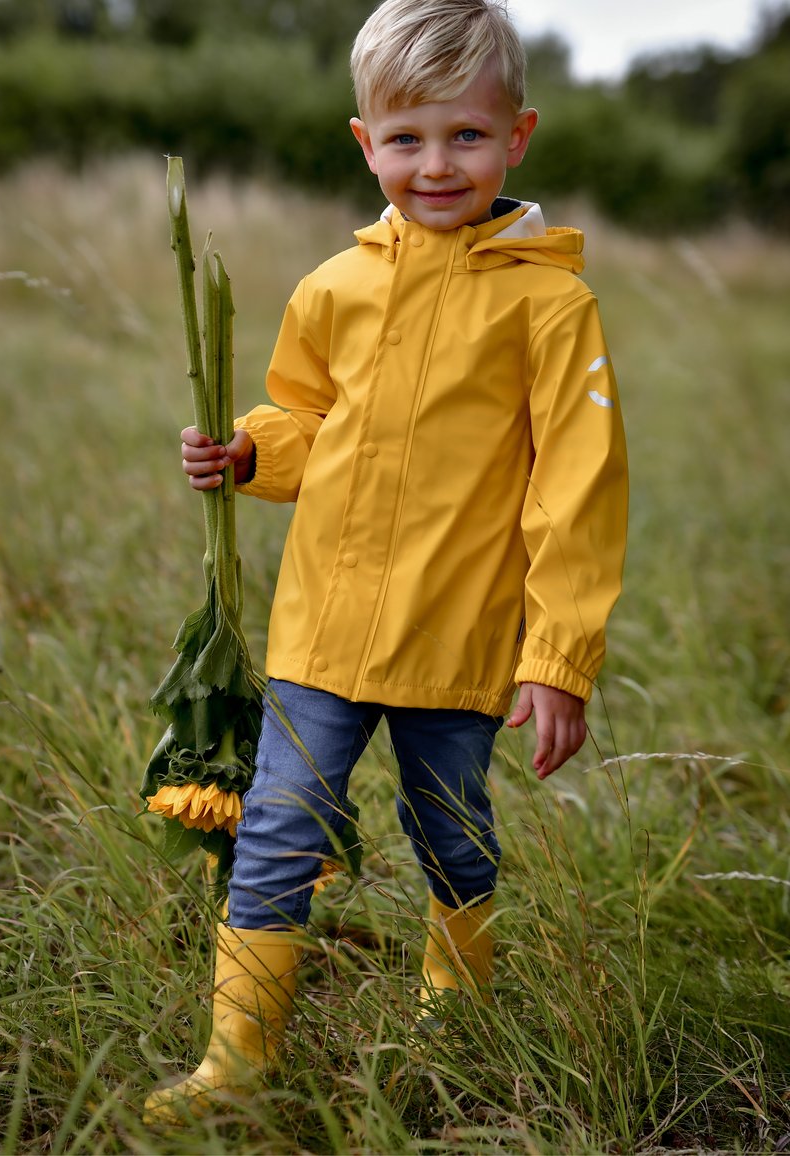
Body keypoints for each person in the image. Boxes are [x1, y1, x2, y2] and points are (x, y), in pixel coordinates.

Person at [144, 0, 627, 1124]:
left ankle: (456, 1010)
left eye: (464, 134)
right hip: (322, 629)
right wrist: (251, 447)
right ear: (365, 144)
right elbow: (310, 421)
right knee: (272, 825)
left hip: (456, 642)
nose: (435, 162)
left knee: (446, 830)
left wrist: (555, 658)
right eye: (405, 138)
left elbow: (577, 490)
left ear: (517, 136)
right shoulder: (334, 288)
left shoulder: (550, 307)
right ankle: (235, 1063)